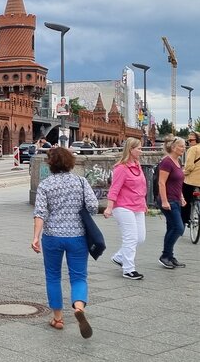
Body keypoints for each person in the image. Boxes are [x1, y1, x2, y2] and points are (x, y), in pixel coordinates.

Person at [32, 147, 96, 339]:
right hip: (77, 237)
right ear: (70, 163)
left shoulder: (46, 185)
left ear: (51, 164)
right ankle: (78, 307)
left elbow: (40, 213)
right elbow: (93, 206)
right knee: (78, 277)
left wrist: (35, 236)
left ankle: (58, 319)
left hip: (52, 237)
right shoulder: (81, 182)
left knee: (53, 277)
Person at [103, 137, 146, 280]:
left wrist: (143, 203)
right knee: (131, 237)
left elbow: (142, 187)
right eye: (138, 148)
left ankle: (119, 257)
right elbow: (114, 189)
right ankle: (128, 269)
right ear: (130, 149)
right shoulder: (121, 168)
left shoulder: (137, 165)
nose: (141, 151)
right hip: (123, 206)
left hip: (138, 206)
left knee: (140, 238)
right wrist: (109, 208)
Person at [157, 135, 186, 269]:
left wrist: (181, 197)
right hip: (168, 199)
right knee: (178, 228)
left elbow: (178, 182)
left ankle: (169, 255)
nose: (183, 148)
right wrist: (164, 201)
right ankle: (164, 256)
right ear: (173, 148)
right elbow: (161, 182)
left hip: (175, 199)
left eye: (184, 146)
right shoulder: (167, 162)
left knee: (171, 227)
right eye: (181, 146)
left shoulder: (177, 161)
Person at [182, 131, 200, 226]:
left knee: (185, 199)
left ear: (197, 140)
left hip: (192, 181)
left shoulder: (193, 149)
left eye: (191, 140)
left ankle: (185, 220)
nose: (189, 142)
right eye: (188, 140)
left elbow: (189, 166)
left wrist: (183, 173)